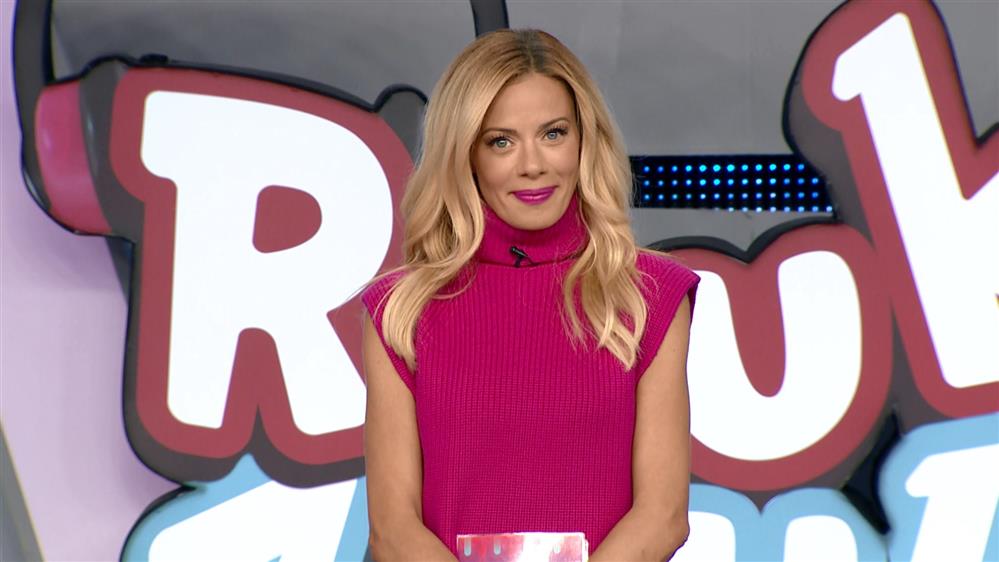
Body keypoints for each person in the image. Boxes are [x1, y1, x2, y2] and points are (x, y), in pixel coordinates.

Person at [361, 29, 699, 562]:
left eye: (553, 133)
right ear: (466, 154)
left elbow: (663, 516)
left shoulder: (650, 296)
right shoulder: (400, 309)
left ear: (584, 140)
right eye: (501, 141)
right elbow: (393, 530)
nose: (533, 164)